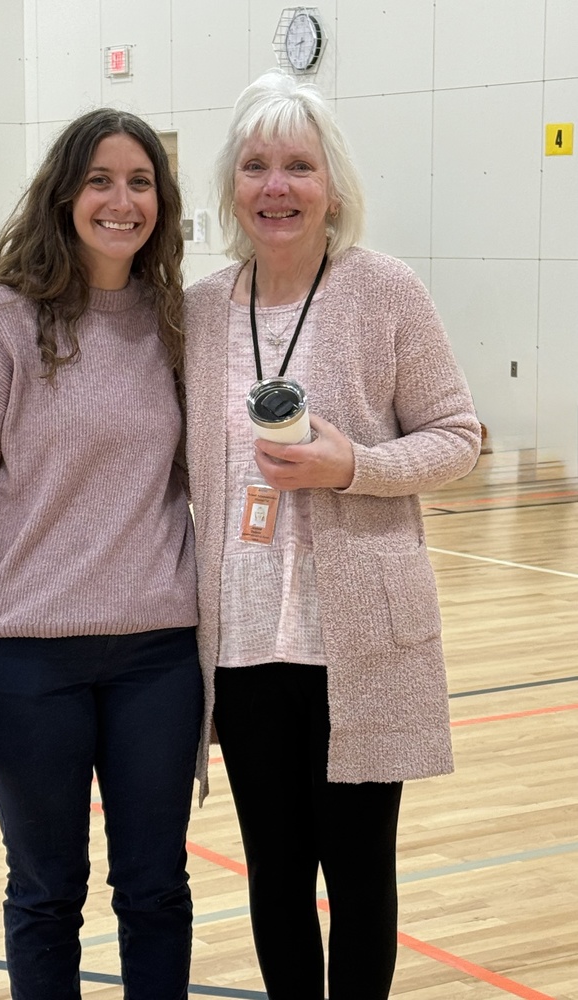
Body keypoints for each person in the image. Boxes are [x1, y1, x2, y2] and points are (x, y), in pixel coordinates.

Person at [184, 70, 481, 1000]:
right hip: (240, 641)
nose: (278, 186)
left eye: (299, 166)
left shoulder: (383, 290)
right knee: (275, 874)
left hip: (359, 637)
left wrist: (354, 465)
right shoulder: (197, 311)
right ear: (232, 187)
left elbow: (458, 436)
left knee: (358, 873)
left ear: (333, 186)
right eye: (257, 166)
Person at [0, 108, 203, 1000]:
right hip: (27, 657)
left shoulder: (178, 325)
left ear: (163, 199)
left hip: (159, 656)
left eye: (141, 182)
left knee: (155, 888)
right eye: (102, 181)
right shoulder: (1, 324)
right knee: (46, 894)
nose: (122, 201)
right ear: (64, 194)